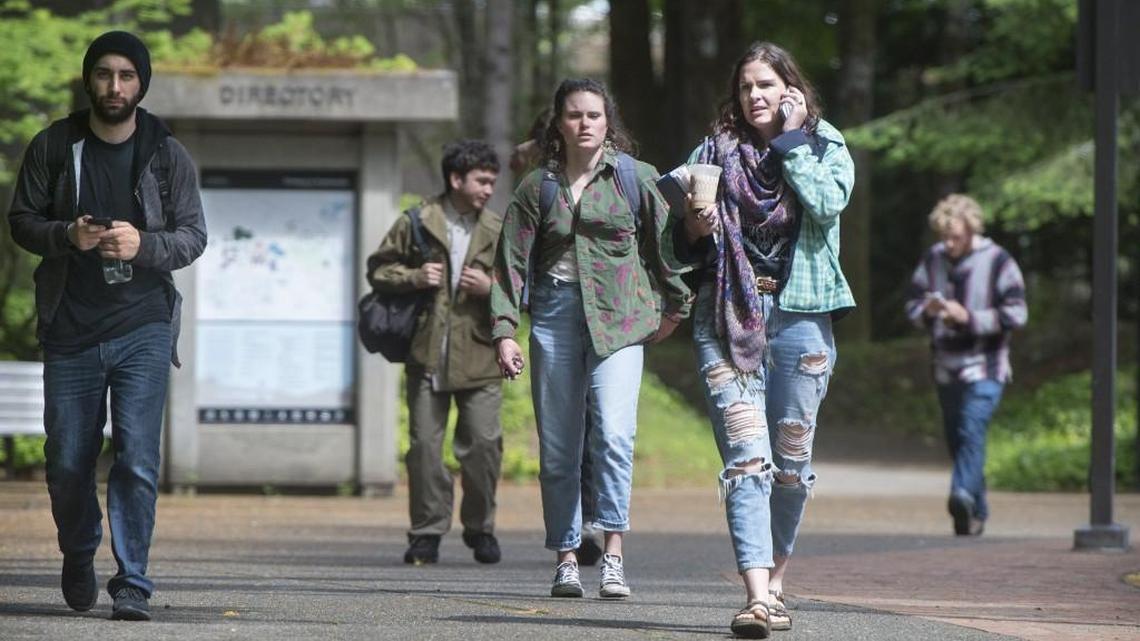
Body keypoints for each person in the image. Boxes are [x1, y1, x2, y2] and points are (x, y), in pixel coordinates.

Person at [7, 31, 207, 620]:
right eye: (103, 74)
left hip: (143, 324)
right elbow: (21, 221)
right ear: (88, 80)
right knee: (68, 460)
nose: (114, 86)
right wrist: (67, 236)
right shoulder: (53, 146)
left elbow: (193, 236)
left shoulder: (167, 153)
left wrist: (143, 244)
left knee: (137, 457)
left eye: (126, 75)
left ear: (142, 83)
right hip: (70, 325)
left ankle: (133, 580)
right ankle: (78, 549)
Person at [670, 41, 855, 638]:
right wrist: (695, 226)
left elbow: (827, 206)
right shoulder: (711, 151)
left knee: (791, 464)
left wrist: (794, 141)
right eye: (746, 86)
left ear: (791, 90)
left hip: (803, 317)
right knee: (747, 456)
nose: (755, 96)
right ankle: (756, 596)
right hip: (724, 315)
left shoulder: (826, 145)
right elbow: (684, 238)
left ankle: (776, 581)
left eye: (767, 85)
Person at [491, 78, 691, 599]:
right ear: (558, 122)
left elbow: (664, 245)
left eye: (594, 116)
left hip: (620, 318)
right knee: (559, 446)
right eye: (575, 115)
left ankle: (614, 556)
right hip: (555, 314)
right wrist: (505, 331)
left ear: (609, 122)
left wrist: (675, 306)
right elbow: (510, 262)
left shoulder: (635, 177)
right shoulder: (538, 186)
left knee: (614, 436)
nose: (585, 124)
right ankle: (565, 556)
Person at [367, 140, 505, 565]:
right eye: (482, 181)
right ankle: (426, 532)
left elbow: (526, 287)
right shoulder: (416, 221)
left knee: (483, 444)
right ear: (455, 179)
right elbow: (378, 269)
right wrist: (413, 276)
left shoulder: (499, 227)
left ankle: (480, 527)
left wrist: (491, 289)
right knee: (424, 447)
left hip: (482, 353)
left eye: (492, 182)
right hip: (427, 351)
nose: (488, 189)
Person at [509, 108, 606, 567]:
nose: (580, 128)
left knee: (597, 421)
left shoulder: (610, 171)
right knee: (567, 427)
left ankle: (589, 519)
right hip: (551, 305)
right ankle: (576, 524)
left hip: (600, 310)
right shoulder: (536, 179)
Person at [905, 194, 1027, 537]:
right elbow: (912, 305)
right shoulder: (933, 260)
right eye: (943, 236)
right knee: (960, 441)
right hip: (945, 366)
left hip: (986, 367)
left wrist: (969, 317)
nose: (948, 243)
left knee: (971, 431)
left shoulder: (999, 261)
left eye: (955, 236)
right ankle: (976, 511)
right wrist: (926, 312)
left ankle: (959, 495)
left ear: (972, 230)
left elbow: (1017, 313)